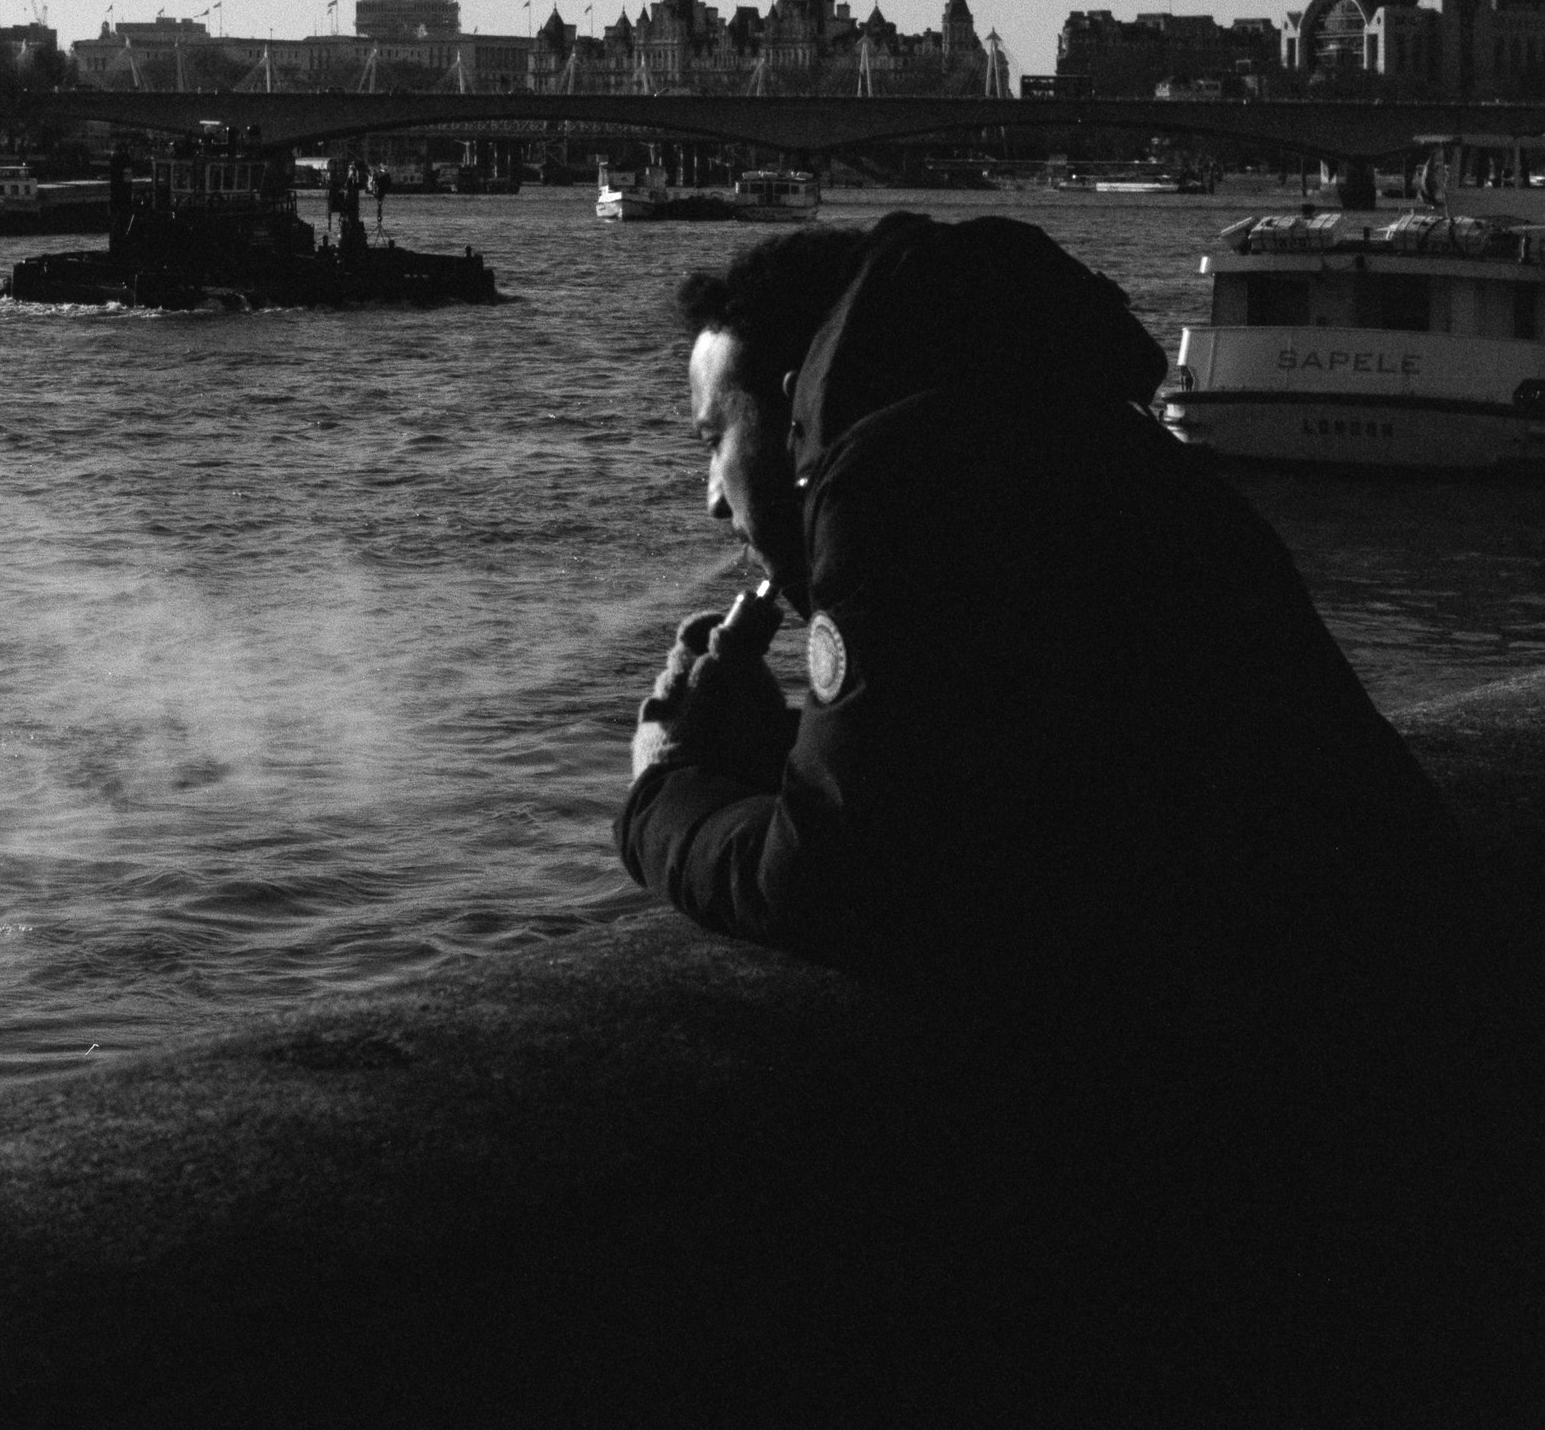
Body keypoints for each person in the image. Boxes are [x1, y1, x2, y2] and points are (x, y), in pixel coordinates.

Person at [618, 211, 1505, 1063]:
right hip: (1402, 978)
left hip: (1301, 1056)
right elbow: (1000, 777)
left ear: (785, 408)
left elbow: (832, 882)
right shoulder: (1071, 435)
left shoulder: (890, 482)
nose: (710, 495)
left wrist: (666, 789)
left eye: (713, 440)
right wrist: (775, 755)